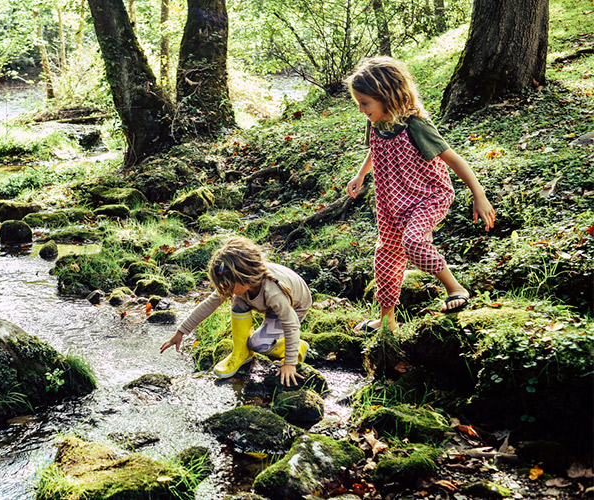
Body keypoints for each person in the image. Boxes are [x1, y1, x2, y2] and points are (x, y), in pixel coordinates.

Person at [344, 56, 496, 332]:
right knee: (386, 256)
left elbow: (454, 160)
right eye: (359, 104)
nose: (361, 109)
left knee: (413, 242)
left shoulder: (416, 126)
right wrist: (361, 174)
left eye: (365, 103)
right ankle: (387, 319)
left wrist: (479, 194)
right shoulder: (377, 122)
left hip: (428, 196)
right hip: (391, 203)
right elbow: (375, 150)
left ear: (386, 96)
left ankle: (454, 287)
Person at [159, 237, 312, 386]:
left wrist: (290, 363)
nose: (225, 290)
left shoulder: (273, 292)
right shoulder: (240, 283)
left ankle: (298, 347)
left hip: (294, 307)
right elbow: (208, 305)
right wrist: (181, 332)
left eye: (228, 286)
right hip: (269, 304)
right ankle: (241, 353)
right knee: (237, 300)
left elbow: (290, 324)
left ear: (244, 277)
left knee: (258, 344)